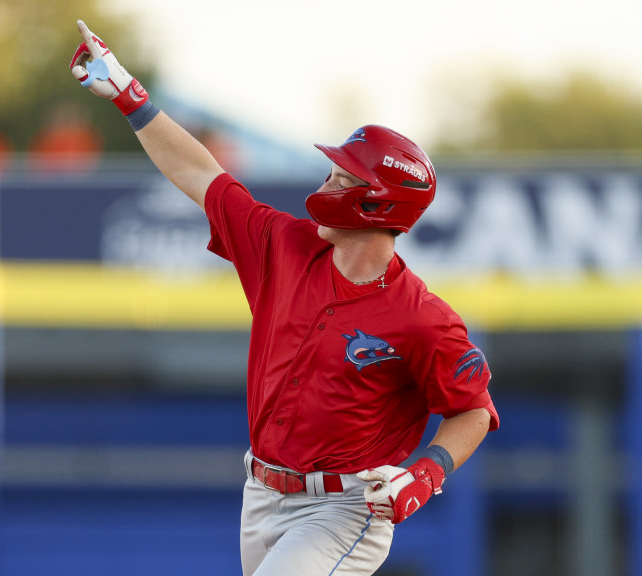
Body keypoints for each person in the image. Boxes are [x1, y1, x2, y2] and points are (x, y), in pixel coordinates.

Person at [69, 20, 499, 576]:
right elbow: (201, 173)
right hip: (260, 492)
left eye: (342, 179)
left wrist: (427, 473)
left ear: (375, 207)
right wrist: (132, 98)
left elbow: (473, 409)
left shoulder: (421, 318)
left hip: (346, 508)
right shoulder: (283, 245)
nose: (324, 185)